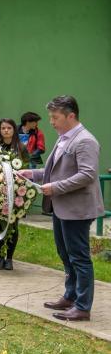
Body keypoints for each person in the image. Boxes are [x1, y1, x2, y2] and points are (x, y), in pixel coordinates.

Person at [20, 96, 104, 322]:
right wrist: (33, 173)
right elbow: (57, 170)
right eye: (51, 117)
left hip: (77, 209)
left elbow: (87, 175)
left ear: (71, 116)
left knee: (79, 257)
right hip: (61, 206)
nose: (51, 122)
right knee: (65, 254)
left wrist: (55, 188)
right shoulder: (63, 139)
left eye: (55, 117)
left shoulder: (85, 140)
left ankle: (83, 306)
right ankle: (70, 295)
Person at [0, 118, 29, 270]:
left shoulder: (21, 148)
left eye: (9, 128)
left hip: (16, 193)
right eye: (3, 128)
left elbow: (27, 169)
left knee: (12, 225)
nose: (6, 130)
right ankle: (0, 257)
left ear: (14, 130)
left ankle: (9, 258)